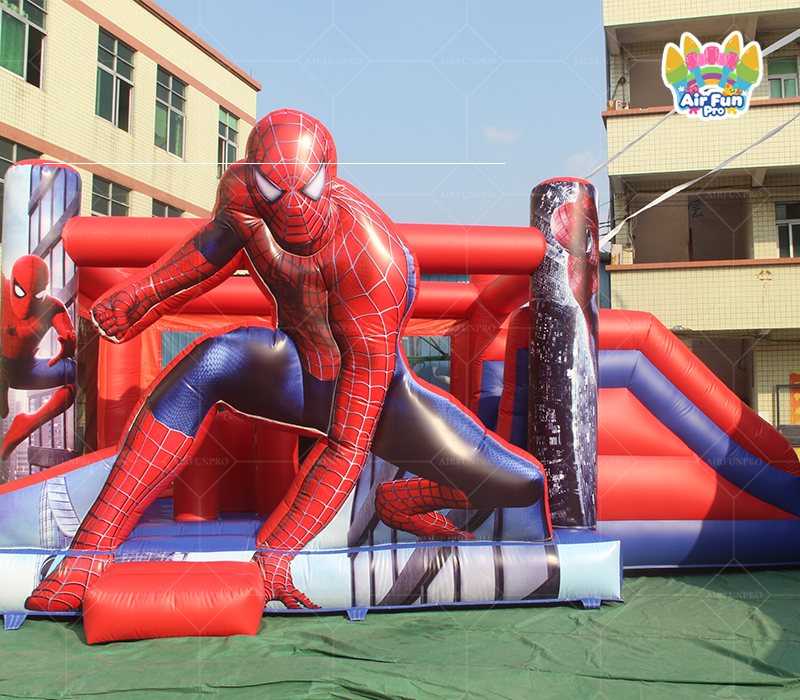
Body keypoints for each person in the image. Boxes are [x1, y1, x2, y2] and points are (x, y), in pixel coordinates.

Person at [26, 109, 546, 612]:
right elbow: (213, 246)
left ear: (329, 177)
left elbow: (346, 445)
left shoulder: (371, 258)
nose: (293, 207)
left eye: (306, 188)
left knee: (521, 481)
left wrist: (277, 553)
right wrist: (143, 294)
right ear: (257, 180)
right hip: (295, 370)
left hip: (382, 397)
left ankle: (403, 501)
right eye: (275, 190)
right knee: (211, 360)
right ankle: (88, 551)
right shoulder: (242, 192)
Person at [1, 255, 76, 461]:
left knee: (75, 372)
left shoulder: (53, 308)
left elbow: (68, 335)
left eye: (37, 295)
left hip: (25, 369)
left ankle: (26, 424)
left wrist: (68, 346)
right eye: (20, 292)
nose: (26, 305)